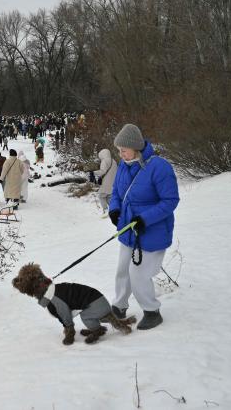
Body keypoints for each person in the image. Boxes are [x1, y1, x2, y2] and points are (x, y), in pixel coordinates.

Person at [108, 123, 179, 330]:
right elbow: (116, 193)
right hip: (128, 229)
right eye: (118, 151)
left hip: (152, 231)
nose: (121, 154)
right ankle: (119, 306)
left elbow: (170, 200)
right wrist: (114, 209)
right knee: (123, 270)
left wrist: (145, 219)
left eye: (124, 150)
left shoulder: (160, 167)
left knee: (138, 273)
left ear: (136, 147)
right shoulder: (123, 165)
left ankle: (152, 311)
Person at [93, 148, 118, 213]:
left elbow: (102, 171)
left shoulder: (104, 161)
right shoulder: (114, 161)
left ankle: (105, 210)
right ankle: (114, 209)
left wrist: (94, 172)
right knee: (108, 197)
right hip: (113, 182)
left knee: (101, 196)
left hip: (105, 182)